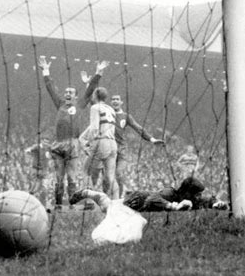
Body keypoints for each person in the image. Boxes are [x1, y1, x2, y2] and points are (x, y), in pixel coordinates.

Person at [38, 56, 109, 209]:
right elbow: (51, 88)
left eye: (70, 92)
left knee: (71, 177)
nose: (67, 94)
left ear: (76, 96)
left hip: (72, 144)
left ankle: (71, 203)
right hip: (58, 144)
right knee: (58, 177)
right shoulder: (60, 104)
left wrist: (98, 73)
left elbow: (90, 90)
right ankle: (57, 205)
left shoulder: (80, 104)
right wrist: (45, 71)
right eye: (66, 92)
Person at [78, 79, 164, 197]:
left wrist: (152, 139)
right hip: (111, 147)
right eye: (113, 99)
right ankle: (110, 199)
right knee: (106, 178)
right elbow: (94, 102)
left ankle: (116, 198)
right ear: (109, 100)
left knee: (115, 174)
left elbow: (138, 128)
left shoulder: (125, 116)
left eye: (117, 99)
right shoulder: (109, 110)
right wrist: (88, 85)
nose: (115, 101)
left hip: (118, 150)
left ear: (121, 102)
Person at [70, 176, 228, 213]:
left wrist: (216, 204)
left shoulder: (193, 199)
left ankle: (88, 191)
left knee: (111, 205)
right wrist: (172, 206)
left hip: (142, 200)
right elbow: (152, 199)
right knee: (108, 208)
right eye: (197, 194)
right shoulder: (169, 193)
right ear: (187, 192)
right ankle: (87, 192)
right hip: (138, 199)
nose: (200, 197)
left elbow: (205, 201)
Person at [82, 87, 119, 199]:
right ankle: (116, 202)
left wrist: (88, 143)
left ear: (95, 96)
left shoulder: (95, 108)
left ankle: (89, 202)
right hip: (113, 143)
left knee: (86, 171)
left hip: (101, 142)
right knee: (110, 176)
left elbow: (94, 129)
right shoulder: (111, 109)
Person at [24, 139, 53, 209]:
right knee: (35, 187)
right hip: (36, 169)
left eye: (47, 142)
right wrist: (29, 152)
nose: (46, 144)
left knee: (44, 188)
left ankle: (44, 205)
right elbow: (28, 150)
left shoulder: (49, 148)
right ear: (42, 141)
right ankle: (28, 201)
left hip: (44, 170)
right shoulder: (37, 147)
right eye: (45, 142)